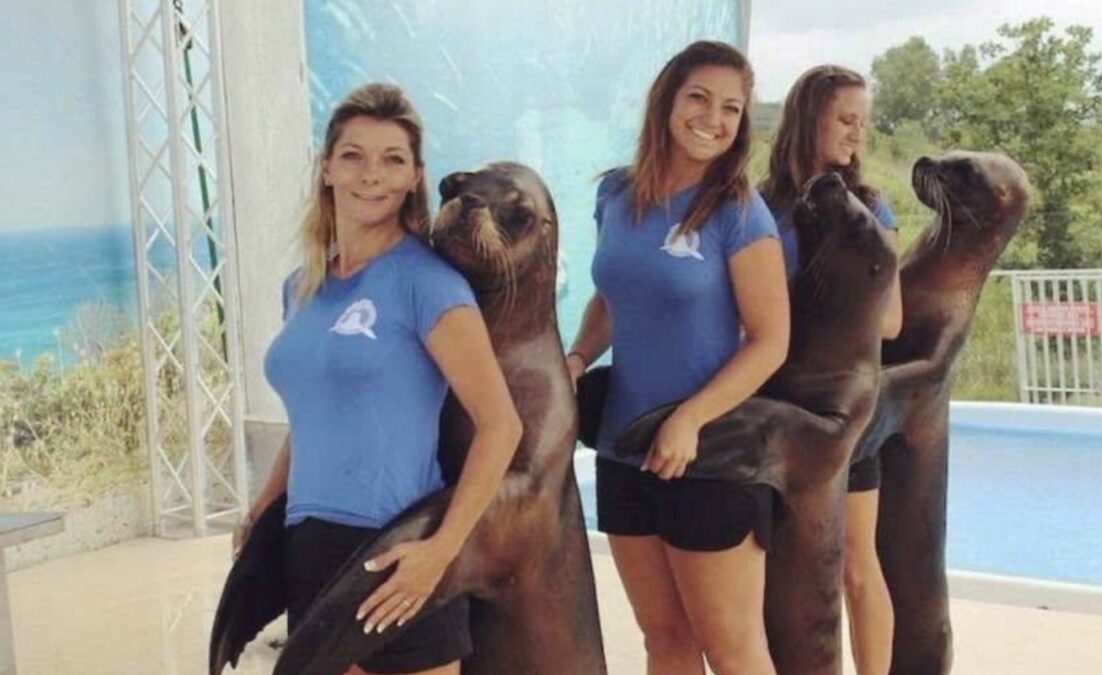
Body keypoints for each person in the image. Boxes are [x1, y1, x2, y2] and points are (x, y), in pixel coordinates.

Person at [235, 83, 522, 675]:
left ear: (414, 177)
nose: (371, 175)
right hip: (309, 547)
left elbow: (501, 425)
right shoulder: (301, 287)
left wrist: (441, 552)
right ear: (326, 168)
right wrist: (266, 503)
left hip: (395, 549)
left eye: (392, 160)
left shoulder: (428, 284)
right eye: (353, 156)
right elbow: (314, 413)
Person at [566, 41, 789, 675]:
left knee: (732, 649)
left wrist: (690, 418)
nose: (713, 119)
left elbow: (770, 340)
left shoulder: (738, 211)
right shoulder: (616, 194)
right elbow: (614, 297)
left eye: (731, 108)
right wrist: (578, 355)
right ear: (666, 100)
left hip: (710, 455)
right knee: (664, 640)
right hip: (623, 452)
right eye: (699, 98)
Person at [760, 64, 904, 675]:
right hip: (774, 404)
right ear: (808, 119)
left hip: (844, 413)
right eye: (846, 119)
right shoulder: (760, 208)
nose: (857, 134)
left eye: (863, 123)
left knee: (855, 559)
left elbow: (890, 320)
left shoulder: (871, 207)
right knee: (776, 559)